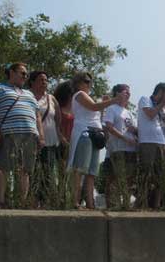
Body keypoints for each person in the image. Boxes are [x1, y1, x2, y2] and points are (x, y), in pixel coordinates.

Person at [0, 63, 45, 207]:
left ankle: (22, 202)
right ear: (11, 72)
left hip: (30, 133)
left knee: (25, 170)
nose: (25, 77)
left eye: (26, 74)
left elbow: (37, 115)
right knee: (3, 167)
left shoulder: (29, 93)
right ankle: (0, 200)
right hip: (9, 132)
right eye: (22, 73)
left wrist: (41, 135)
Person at [66, 72, 119, 209]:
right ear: (78, 83)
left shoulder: (89, 97)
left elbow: (97, 115)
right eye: (86, 81)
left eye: (90, 81)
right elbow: (94, 107)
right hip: (85, 133)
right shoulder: (79, 95)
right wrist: (112, 101)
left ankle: (90, 203)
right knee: (80, 169)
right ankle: (74, 201)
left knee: (91, 172)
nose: (89, 83)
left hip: (95, 133)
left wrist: (104, 104)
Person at [30, 71, 64, 204]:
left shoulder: (51, 98)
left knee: (48, 173)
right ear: (32, 82)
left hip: (50, 142)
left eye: (46, 80)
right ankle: (30, 201)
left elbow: (58, 119)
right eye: (41, 79)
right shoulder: (27, 96)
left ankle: (47, 202)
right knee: (31, 172)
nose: (44, 82)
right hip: (31, 142)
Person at [137, 82, 165, 209]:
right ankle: (141, 203)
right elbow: (150, 114)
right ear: (161, 91)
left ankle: (157, 204)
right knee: (146, 173)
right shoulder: (145, 99)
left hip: (160, 142)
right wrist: (163, 103)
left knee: (161, 174)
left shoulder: (162, 107)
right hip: (147, 141)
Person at [104, 84, 137, 209]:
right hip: (118, 148)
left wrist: (134, 132)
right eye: (125, 92)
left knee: (129, 178)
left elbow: (132, 129)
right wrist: (124, 138)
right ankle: (113, 204)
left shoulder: (128, 112)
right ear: (117, 93)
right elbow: (109, 127)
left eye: (129, 92)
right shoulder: (111, 108)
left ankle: (126, 203)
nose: (128, 94)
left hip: (131, 149)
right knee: (117, 177)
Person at [54, 80, 74, 146]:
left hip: (74, 144)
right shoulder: (57, 108)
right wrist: (62, 139)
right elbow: (55, 126)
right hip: (59, 144)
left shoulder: (76, 110)